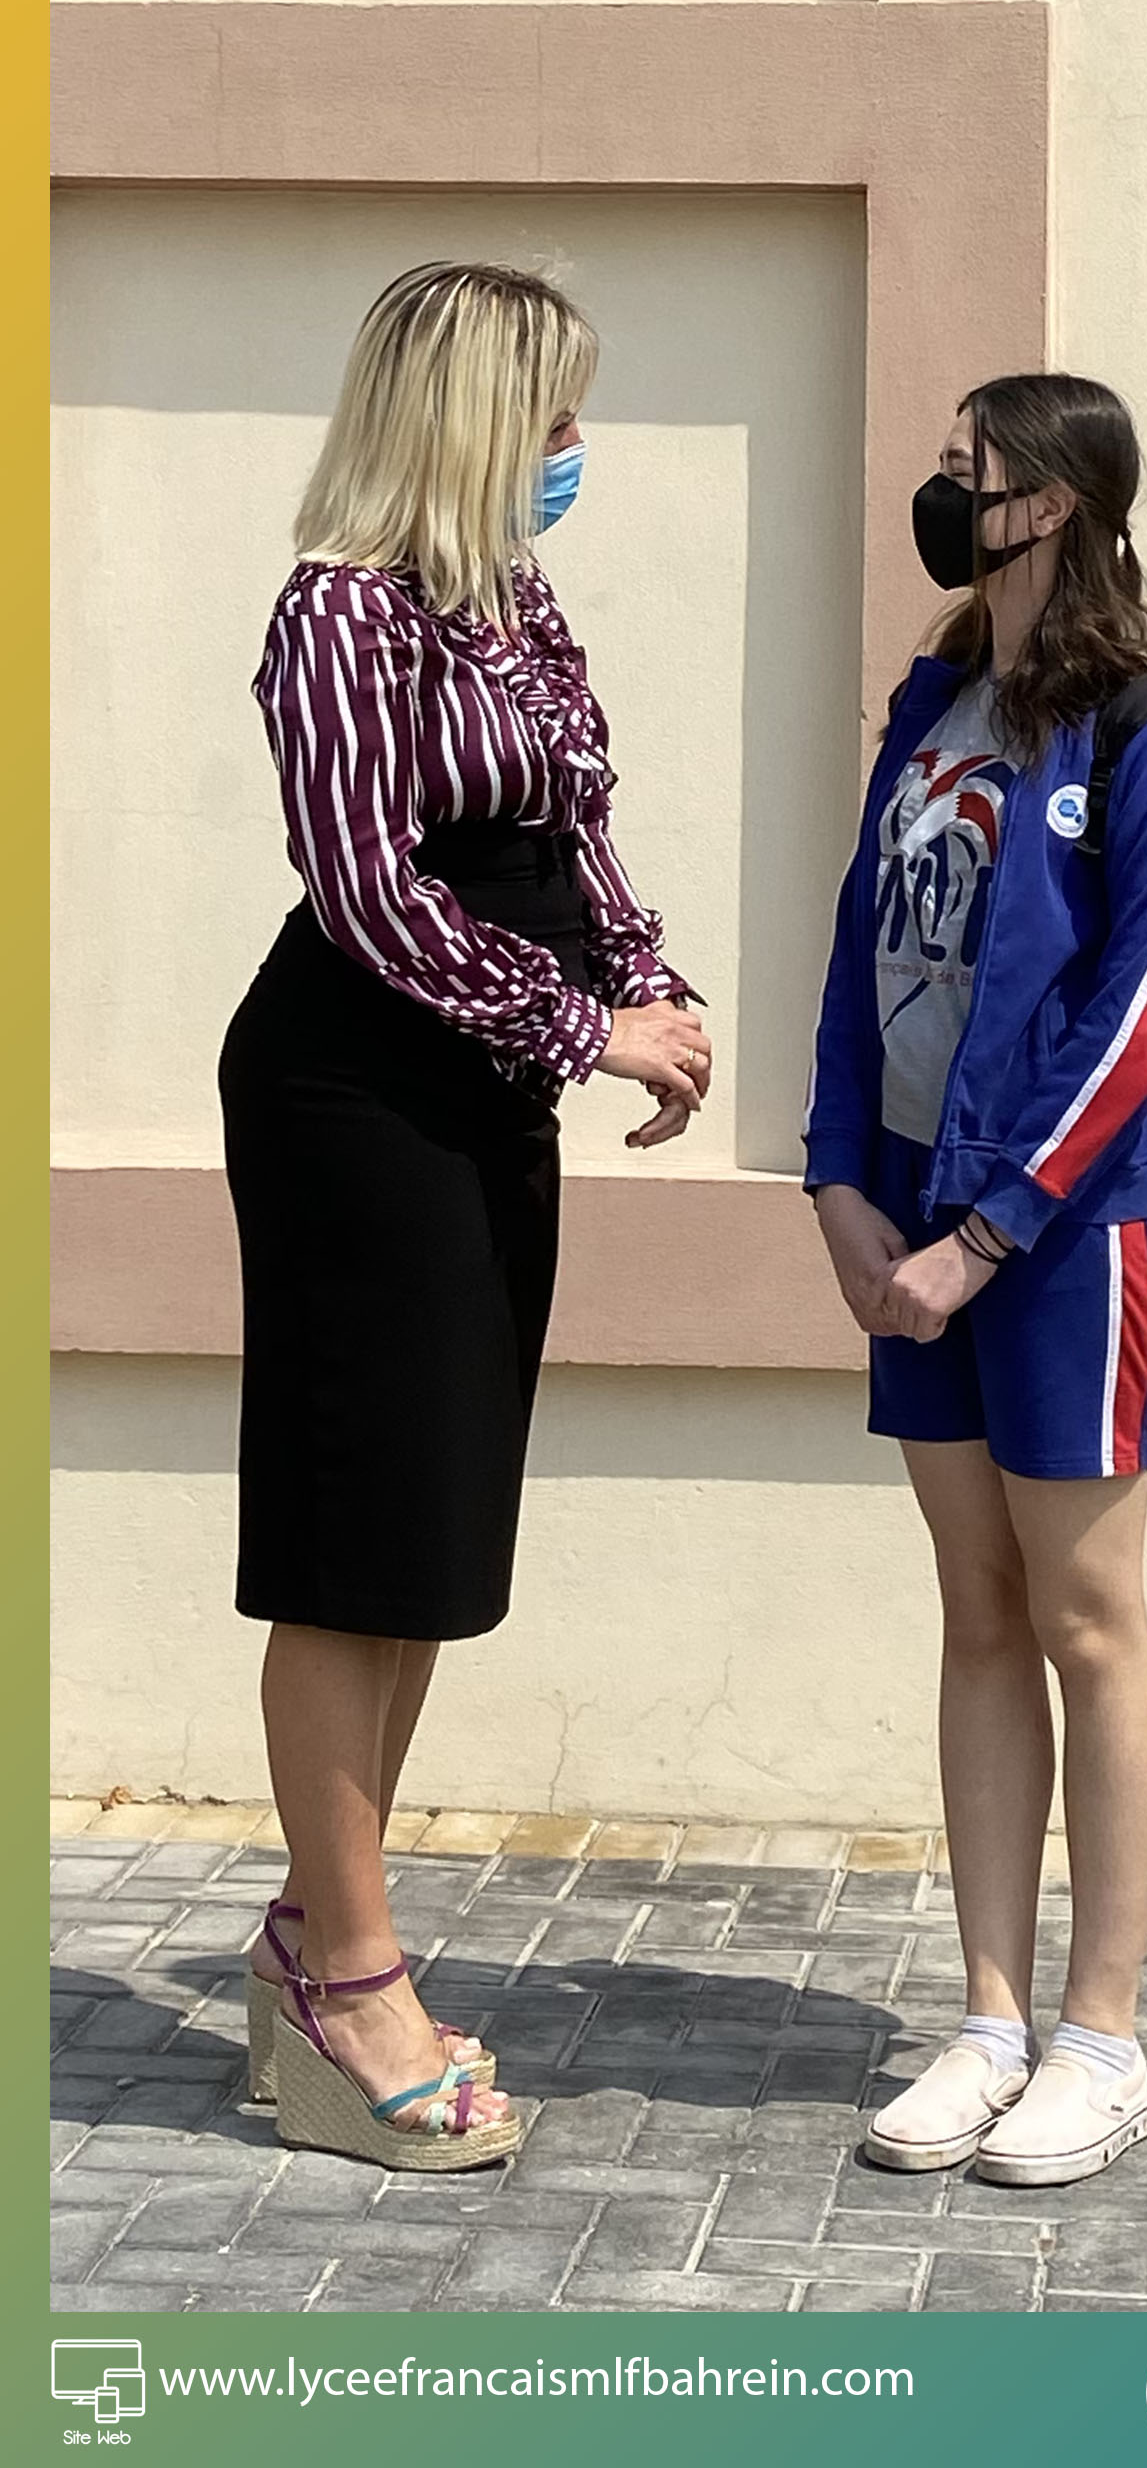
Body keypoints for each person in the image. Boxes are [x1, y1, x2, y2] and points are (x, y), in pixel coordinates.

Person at [223, 261, 713, 2171]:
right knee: (352, 1541)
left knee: (425, 1541)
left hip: (487, 1089)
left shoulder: (516, 604)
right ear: (470, 423)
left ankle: (310, 1940)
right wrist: (589, 1029)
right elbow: (373, 898)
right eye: (554, 414)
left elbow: (575, 834)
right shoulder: (337, 616)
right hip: (357, 1098)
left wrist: (648, 992)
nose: (578, 446)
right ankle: (350, 1986)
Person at [806, 371, 1147, 2189]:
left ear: (1048, 502)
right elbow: (860, 949)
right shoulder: (932, 706)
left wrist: (986, 1236)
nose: (940, 494)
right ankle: (990, 2021)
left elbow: (1146, 1015)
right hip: (908, 1225)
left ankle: (1101, 2038)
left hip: (1064, 1246)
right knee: (977, 1613)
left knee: (1085, 1619)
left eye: (963, 470)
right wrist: (837, 1177)